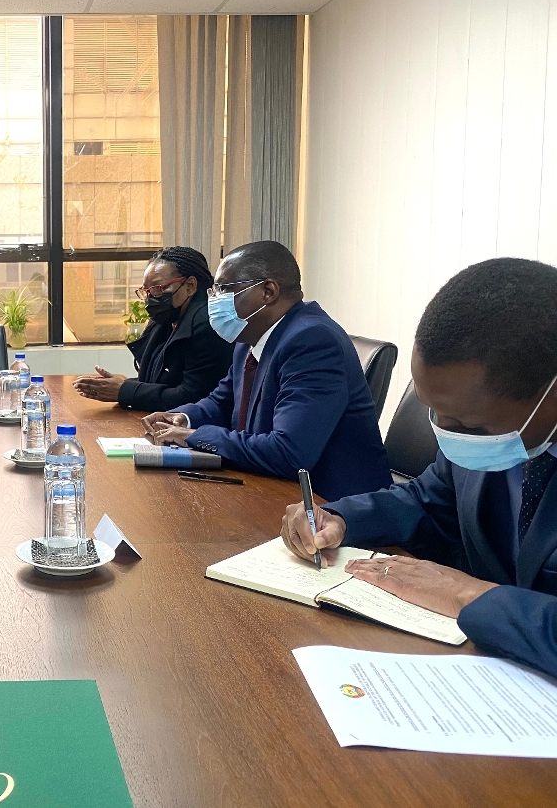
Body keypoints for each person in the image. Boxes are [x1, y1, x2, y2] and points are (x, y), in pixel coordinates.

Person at [282, 258, 557, 679]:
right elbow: (428, 500)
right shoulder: (483, 427)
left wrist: (468, 594)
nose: (445, 434)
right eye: (433, 412)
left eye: (465, 424)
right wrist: (339, 518)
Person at [141, 241, 392, 501]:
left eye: (224, 289)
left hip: (331, 505)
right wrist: (183, 418)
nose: (214, 299)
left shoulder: (313, 341)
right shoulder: (248, 338)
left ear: (268, 291)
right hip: (270, 488)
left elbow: (289, 452)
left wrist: (195, 436)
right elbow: (223, 402)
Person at [73, 247, 232, 411]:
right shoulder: (167, 318)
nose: (150, 299)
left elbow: (193, 397)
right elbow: (157, 381)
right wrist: (118, 386)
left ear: (190, 286)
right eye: (146, 291)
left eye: (158, 288)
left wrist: (124, 391)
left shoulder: (209, 325)